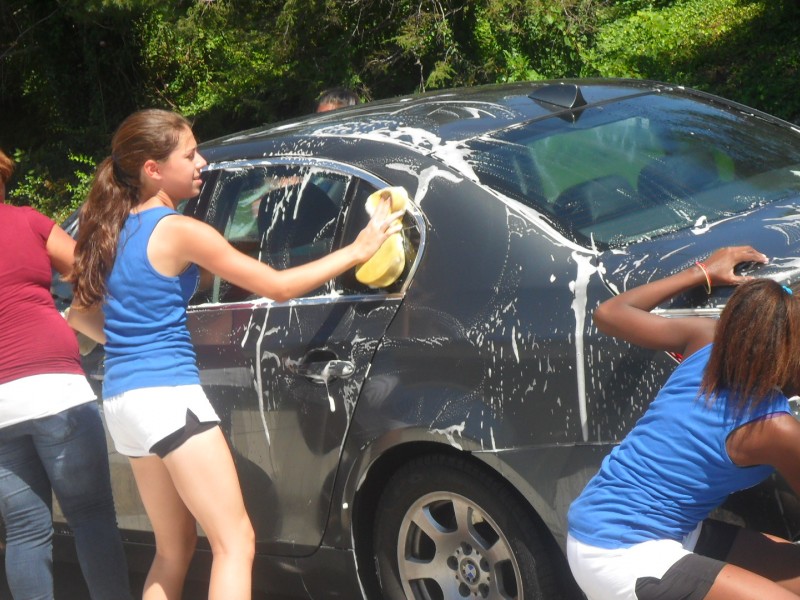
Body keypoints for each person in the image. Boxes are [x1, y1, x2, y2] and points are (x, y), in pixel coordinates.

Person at [66, 108, 403, 600]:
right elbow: (279, 287)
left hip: (123, 400)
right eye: (189, 154)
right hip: (167, 398)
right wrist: (357, 249)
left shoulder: (111, 230)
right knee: (235, 542)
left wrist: (131, 341)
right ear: (153, 169)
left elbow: (78, 315)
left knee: (173, 549)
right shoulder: (179, 230)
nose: (201, 161)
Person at [567, 245, 800, 600]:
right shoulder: (776, 429)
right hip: (619, 553)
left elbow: (609, 313)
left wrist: (703, 271)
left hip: (656, 528)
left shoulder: (707, 341)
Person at [0, 148, 132, 599]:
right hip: (54, 383)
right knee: (91, 515)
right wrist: (74, 319)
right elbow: (88, 273)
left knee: (24, 531)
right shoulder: (27, 221)